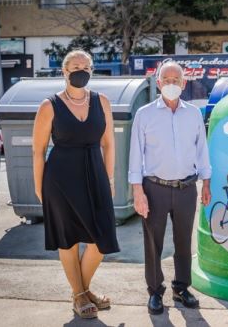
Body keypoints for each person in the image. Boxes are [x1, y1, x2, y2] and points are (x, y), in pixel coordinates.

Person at [32, 50, 119, 319]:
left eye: (86, 66)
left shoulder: (101, 101)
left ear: (91, 70)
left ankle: (80, 290)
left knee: (102, 239)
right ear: (64, 71)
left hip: (95, 174)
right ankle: (81, 295)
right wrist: (39, 188)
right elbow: (38, 150)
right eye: (75, 66)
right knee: (68, 240)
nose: (81, 69)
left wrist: (109, 179)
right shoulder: (49, 106)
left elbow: (108, 144)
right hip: (60, 179)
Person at [128, 61, 212, 315]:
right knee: (153, 242)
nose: (172, 84)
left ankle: (181, 287)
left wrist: (206, 182)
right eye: (167, 80)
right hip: (154, 188)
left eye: (177, 80)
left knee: (184, 241)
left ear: (184, 84)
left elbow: (202, 150)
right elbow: (135, 155)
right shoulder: (144, 114)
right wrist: (137, 192)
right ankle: (155, 291)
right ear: (158, 82)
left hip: (187, 187)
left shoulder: (194, 114)